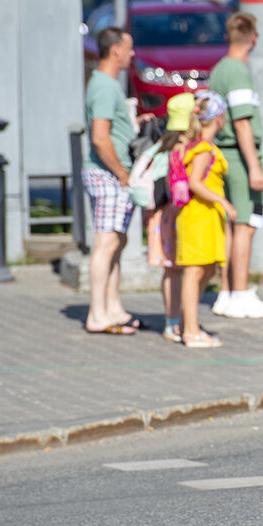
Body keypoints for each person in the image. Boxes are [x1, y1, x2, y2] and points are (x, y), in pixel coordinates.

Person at [83, 26, 154, 335]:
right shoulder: (103, 86)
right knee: (107, 242)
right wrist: (122, 174)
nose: (132, 54)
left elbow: (109, 130)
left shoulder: (106, 84)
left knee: (117, 241)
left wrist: (133, 124)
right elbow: (100, 138)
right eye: (129, 48)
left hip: (112, 174)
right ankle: (97, 313)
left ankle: (112, 308)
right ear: (115, 51)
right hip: (108, 174)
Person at [207, 12, 263, 319]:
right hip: (238, 155)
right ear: (254, 38)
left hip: (224, 152)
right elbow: (243, 123)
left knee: (229, 227)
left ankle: (225, 293)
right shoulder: (237, 71)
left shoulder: (220, 68)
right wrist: (254, 167)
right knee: (245, 226)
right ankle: (239, 294)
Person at [175, 91, 236, 348]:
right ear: (219, 118)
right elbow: (195, 183)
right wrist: (222, 201)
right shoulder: (202, 149)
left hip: (206, 217)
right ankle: (190, 331)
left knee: (207, 269)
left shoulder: (206, 146)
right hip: (197, 217)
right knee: (195, 271)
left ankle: (186, 322)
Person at [144, 93, 197, 343]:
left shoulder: (162, 143)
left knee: (170, 271)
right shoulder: (182, 149)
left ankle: (171, 320)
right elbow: (179, 191)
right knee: (177, 270)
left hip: (159, 215)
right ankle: (175, 323)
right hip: (172, 215)